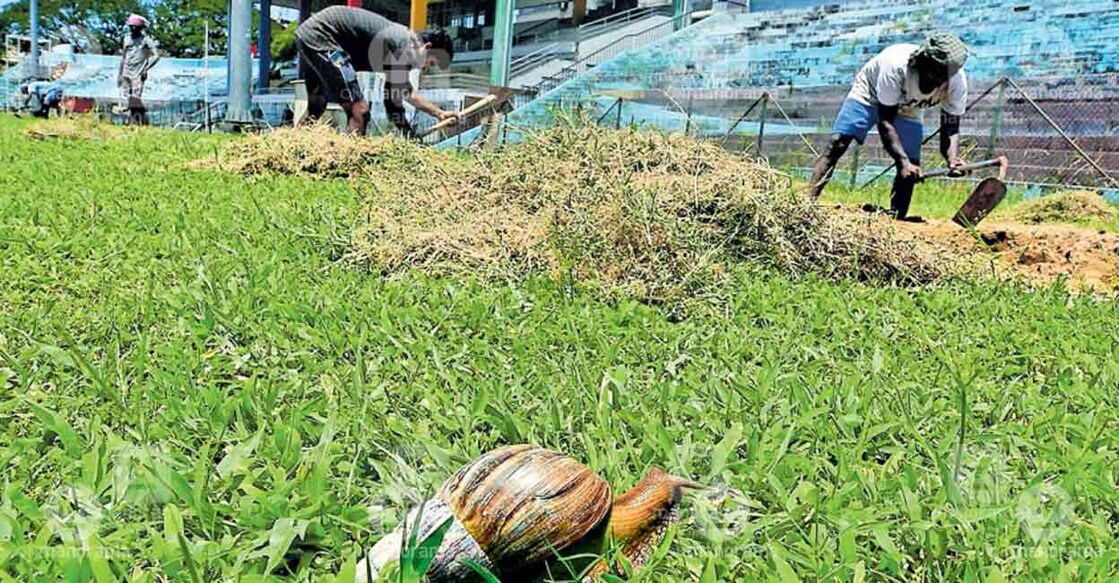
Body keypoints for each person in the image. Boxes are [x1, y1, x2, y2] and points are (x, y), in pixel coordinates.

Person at [807, 33, 970, 221]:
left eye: (946, 74)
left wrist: (952, 160)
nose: (940, 80)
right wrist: (902, 161)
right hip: (871, 93)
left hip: (910, 107)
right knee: (837, 143)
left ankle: (897, 220)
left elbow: (950, 127)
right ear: (925, 63)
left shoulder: (957, 82)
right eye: (936, 72)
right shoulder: (896, 65)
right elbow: (885, 122)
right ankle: (807, 203)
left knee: (912, 165)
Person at [295, 6, 458, 136]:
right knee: (359, 110)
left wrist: (410, 135)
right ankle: (346, 165)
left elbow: (393, 103)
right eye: (429, 63)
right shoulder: (404, 45)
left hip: (312, 36)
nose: (424, 68)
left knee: (317, 106)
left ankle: (291, 147)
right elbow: (406, 94)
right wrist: (438, 113)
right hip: (323, 37)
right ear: (426, 47)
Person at [117, 14, 161, 126]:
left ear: (140, 28)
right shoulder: (126, 39)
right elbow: (123, 57)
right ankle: (131, 122)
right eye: (131, 26)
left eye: (135, 27)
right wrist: (119, 74)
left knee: (135, 99)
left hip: (138, 73)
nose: (133, 29)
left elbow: (156, 56)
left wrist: (146, 69)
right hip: (126, 72)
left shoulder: (146, 40)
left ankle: (141, 122)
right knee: (127, 97)